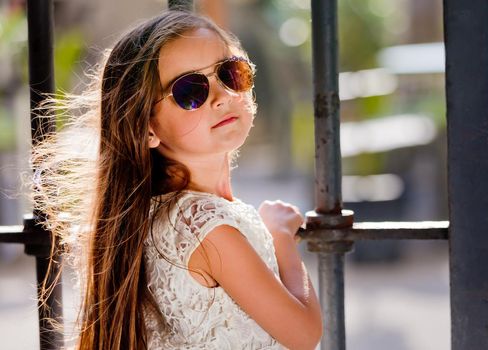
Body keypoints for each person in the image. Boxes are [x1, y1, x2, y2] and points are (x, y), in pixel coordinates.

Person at [32, 10, 321, 350]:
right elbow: (304, 335)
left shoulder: (162, 211)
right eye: (189, 91)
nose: (222, 95)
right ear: (147, 128)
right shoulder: (209, 229)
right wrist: (281, 236)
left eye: (230, 73)